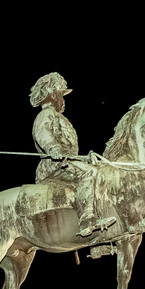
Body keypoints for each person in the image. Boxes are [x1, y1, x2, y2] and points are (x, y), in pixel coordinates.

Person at [29, 73, 115, 238]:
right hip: (54, 165)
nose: (64, 99)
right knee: (90, 172)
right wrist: (52, 147)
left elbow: (69, 150)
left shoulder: (60, 117)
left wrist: (83, 158)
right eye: (62, 94)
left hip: (67, 162)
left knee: (100, 171)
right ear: (54, 94)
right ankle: (87, 220)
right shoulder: (46, 115)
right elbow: (43, 133)